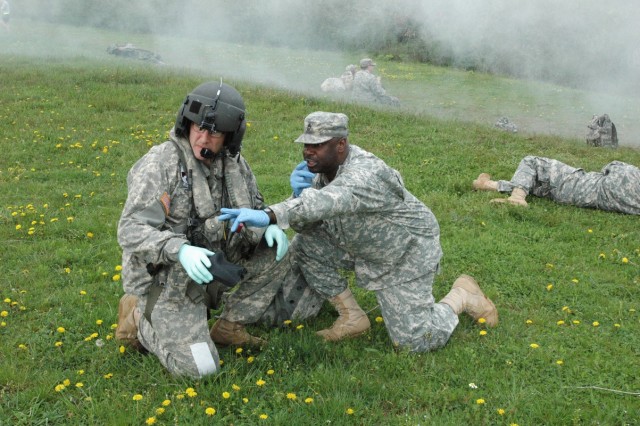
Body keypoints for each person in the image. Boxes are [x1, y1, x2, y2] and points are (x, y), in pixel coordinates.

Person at [218, 111, 498, 353]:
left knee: (414, 342)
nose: (308, 152)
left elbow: (329, 200)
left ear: (341, 145)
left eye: (318, 145)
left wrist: (269, 214)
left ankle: (461, 296)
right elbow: (310, 220)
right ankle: (352, 316)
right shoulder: (324, 171)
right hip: (358, 244)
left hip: (404, 255)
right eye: (306, 145)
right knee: (305, 244)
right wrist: (298, 193)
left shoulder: (366, 173)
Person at [115, 82, 323, 378]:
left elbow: (255, 204)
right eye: (197, 127)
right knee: (201, 370)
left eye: (214, 132)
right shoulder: (161, 163)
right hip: (166, 277)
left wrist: (268, 227)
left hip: (215, 263)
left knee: (276, 250)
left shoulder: (235, 165)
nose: (203, 137)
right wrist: (180, 250)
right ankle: (139, 317)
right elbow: (130, 229)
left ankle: (230, 325)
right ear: (186, 122)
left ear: (230, 137)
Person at [473, 156, 640, 215]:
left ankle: (517, 198)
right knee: (539, 183)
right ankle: (489, 184)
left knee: (532, 162)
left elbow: (611, 167)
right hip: (580, 197)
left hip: (578, 184)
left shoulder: (632, 174)